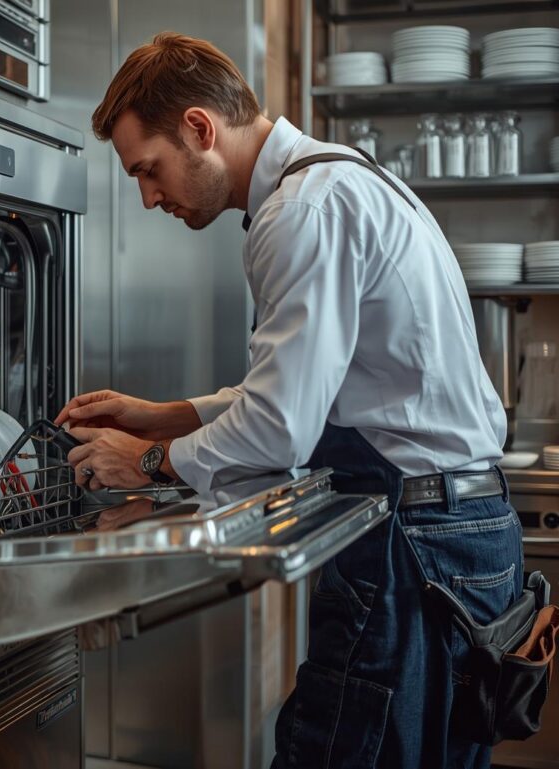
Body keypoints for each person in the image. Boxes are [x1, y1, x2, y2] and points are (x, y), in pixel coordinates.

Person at [56, 32, 523, 769]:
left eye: (148, 170)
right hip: (455, 534)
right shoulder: (334, 182)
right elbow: (312, 387)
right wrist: (166, 415)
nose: (147, 198)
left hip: (416, 547)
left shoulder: (302, 211)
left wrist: (145, 460)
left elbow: (279, 427)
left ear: (200, 129)